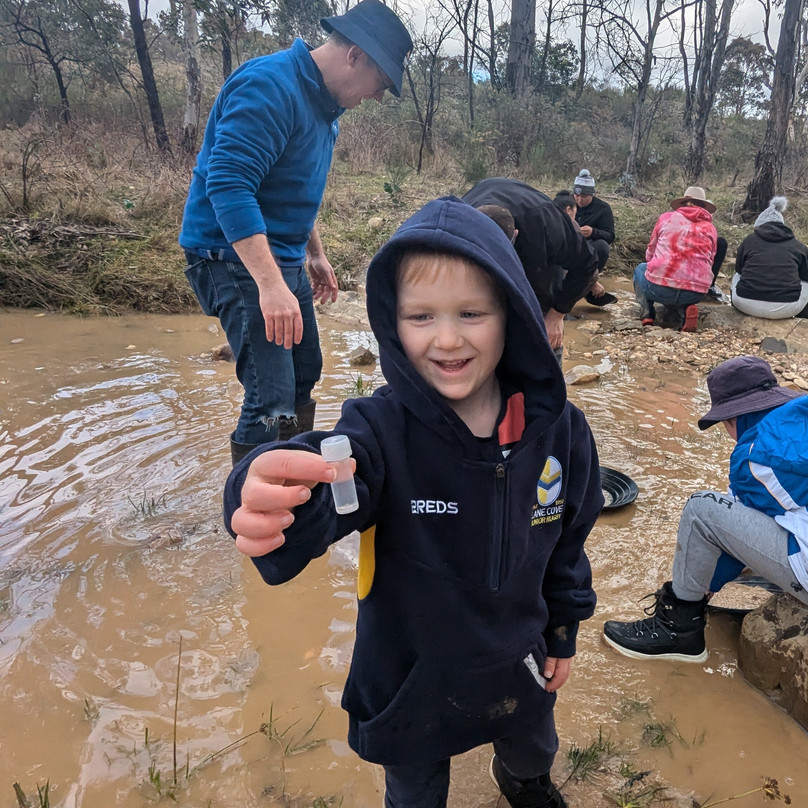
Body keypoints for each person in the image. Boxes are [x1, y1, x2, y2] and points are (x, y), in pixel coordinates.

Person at [224, 198, 604, 807]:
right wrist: (262, 493)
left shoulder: (560, 432)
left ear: (513, 314)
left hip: (519, 657)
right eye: (421, 316)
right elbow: (329, 482)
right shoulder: (378, 431)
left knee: (533, 749)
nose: (447, 339)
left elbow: (568, 545)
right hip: (412, 679)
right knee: (415, 789)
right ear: (392, 324)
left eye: (472, 313)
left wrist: (563, 632)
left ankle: (523, 780)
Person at [179, 0, 413, 465]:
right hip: (231, 256)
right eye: (381, 83)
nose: (377, 96)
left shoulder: (326, 110)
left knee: (305, 372)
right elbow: (229, 184)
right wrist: (270, 285)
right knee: (270, 397)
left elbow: (291, 189)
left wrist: (314, 252)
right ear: (355, 56)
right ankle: (253, 499)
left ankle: (294, 474)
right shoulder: (269, 86)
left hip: (282, 255)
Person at [603, 355, 808, 662]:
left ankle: (678, 630)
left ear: (733, 419)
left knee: (701, 508)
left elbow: (726, 537)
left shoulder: (755, 456)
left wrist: (698, 589)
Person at [462, 178, 599, 355]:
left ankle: (549, 363)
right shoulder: (455, 226)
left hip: (537, 250)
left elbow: (587, 263)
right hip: (478, 217)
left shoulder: (546, 223)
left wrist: (557, 314)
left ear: (515, 235)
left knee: (542, 331)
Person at [634, 186, 728, 333]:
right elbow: (710, 260)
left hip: (659, 290)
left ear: (683, 203)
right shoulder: (710, 228)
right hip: (695, 294)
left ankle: (647, 313)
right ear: (703, 206)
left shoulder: (666, 218)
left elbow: (650, 252)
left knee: (640, 269)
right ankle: (685, 311)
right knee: (686, 287)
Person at [730, 196, 808, 320]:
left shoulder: (749, 241)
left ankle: (735, 316)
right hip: (783, 309)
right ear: (782, 226)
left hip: (744, 304)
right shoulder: (797, 246)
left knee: (737, 275)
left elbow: (740, 269)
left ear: (759, 226)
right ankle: (802, 322)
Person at [572, 169, 618, 307]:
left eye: (584, 196)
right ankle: (589, 284)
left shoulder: (603, 208)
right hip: (567, 245)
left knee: (602, 247)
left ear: (592, 194)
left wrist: (593, 232)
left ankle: (588, 281)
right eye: (577, 195)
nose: (580, 200)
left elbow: (610, 236)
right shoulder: (567, 203)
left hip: (589, 246)